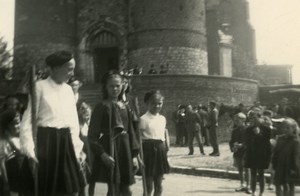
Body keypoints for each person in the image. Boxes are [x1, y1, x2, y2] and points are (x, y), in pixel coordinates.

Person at [20, 50, 85, 196]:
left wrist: (77, 150)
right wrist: (30, 152)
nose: (71, 73)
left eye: (73, 69)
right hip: (45, 144)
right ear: (55, 68)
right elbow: (28, 122)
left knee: (70, 190)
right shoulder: (39, 87)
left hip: (65, 143)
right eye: (69, 69)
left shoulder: (69, 90)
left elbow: (73, 123)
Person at [88, 70, 139, 196]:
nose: (115, 89)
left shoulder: (126, 107)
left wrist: (134, 156)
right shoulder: (101, 107)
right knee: (113, 189)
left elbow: (131, 132)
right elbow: (92, 137)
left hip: (125, 150)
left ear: (122, 86)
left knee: (127, 190)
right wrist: (103, 155)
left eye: (118, 85)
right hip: (109, 149)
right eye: (111, 86)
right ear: (105, 87)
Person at [139, 90, 170, 196]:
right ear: (147, 104)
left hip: (160, 151)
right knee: (148, 186)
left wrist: (166, 150)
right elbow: (138, 138)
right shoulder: (143, 119)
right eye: (153, 103)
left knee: (159, 186)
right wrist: (138, 156)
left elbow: (163, 135)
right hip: (148, 152)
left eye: (159, 103)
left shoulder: (162, 118)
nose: (157, 106)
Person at [244, 109, 271, 196]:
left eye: (255, 118)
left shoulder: (266, 129)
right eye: (251, 118)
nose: (253, 120)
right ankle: (253, 191)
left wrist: (259, 134)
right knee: (253, 173)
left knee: (261, 173)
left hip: (262, 154)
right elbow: (247, 142)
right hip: (252, 153)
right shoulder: (248, 129)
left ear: (260, 118)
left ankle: (261, 192)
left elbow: (267, 142)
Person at [272, 118, 300, 196]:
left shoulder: (296, 140)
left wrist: (295, 168)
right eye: (284, 127)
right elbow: (276, 152)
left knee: (290, 185)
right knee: (278, 184)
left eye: (288, 127)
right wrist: (274, 163)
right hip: (280, 164)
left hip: (290, 165)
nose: (285, 129)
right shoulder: (280, 138)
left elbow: (296, 155)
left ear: (293, 128)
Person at [0, 109, 23, 196]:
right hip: (11, 174)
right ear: (7, 127)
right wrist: (6, 183)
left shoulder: (20, 139)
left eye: (19, 122)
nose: (19, 126)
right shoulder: (3, 142)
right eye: (16, 123)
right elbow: (2, 163)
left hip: (21, 173)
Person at [229, 113, 251, 194]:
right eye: (235, 120)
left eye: (238, 120)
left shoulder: (248, 130)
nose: (236, 122)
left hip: (245, 151)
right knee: (240, 168)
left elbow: (250, 141)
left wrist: (242, 145)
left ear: (243, 120)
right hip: (237, 151)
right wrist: (233, 147)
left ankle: (248, 185)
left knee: (247, 168)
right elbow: (231, 140)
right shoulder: (234, 130)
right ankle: (242, 184)